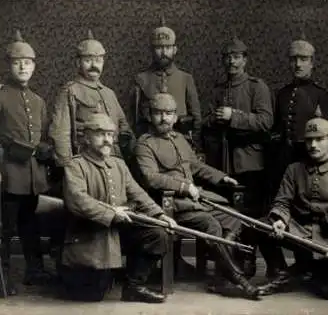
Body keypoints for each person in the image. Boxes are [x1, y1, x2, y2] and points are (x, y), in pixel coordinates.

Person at [134, 93, 262, 300]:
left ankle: (221, 276)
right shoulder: (145, 144)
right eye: (158, 113)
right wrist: (184, 187)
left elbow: (195, 166)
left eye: (168, 113)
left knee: (234, 218)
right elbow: (151, 178)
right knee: (211, 225)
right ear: (150, 116)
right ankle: (237, 278)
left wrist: (222, 178)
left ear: (175, 117)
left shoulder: (181, 140)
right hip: (170, 205)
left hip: (195, 200)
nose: (164, 118)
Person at [0, 30, 54, 294]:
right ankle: (1, 279)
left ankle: (34, 271)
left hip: (32, 177)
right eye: (17, 62)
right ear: (8, 66)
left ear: (35, 66)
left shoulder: (37, 101)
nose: (23, 66)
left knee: (30, 225)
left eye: (28, 62)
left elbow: (43, 136)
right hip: (7, 175)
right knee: (3, 228)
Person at [58, 113, 175, 303]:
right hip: (89, 234)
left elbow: (137, 193)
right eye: (100, 134)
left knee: (157, 234)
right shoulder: (75, 165)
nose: (107, 140)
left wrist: (160, 214)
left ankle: (134, 286)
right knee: (92, 296)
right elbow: (78, 200)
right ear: (86, 138)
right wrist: (113, 213)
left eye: (110, 135)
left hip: (118, 230)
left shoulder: (118, 164)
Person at [250, 116, 328, 300]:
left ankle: (304, 271)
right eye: (309, 140)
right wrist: (281, 220)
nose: (313, 145)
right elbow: (282, 202)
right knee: (263, 226)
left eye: (319, 139)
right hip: (299, 232)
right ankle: (281, 272)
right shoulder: (294, 170)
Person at [202, 36, 273, 276]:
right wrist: (214, 118)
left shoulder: (256, 87)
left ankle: (248, 260)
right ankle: (228, 264)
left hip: (249, 161)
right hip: (221, 163)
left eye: (236, 57)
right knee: (225, 214)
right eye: (227, 57)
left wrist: (235, 116)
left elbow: (266, 122)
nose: (231, 61)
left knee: (249, 215)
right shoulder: (219, 89)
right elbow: (205, 122)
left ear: (245, 60)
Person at [49, 29, 135, 169]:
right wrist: (69, 168)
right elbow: (60, 134)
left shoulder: (109, 94)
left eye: (98, 60)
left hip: (113, 162)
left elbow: (124, 128)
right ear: (78, 63)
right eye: (88, 60)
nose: (94, 65)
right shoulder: (70, 91)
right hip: (85, 162)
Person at [269, 32, 328, 202]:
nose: (297, 64)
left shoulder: (321, 95)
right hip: (283, 161)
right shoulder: (282, 94)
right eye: (293, 59)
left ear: (312, 63)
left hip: (308, 160)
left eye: (303, 59)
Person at [128, 17, 202, 150]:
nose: (163, 52)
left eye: (167, 47)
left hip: (180, 144)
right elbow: (134, 120)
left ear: (175, 49)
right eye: (158, 47)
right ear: (151, 50)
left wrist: (192, 145)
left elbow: (197, 119)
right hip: (150, 146)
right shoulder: (141, 79)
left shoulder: (185, 78)